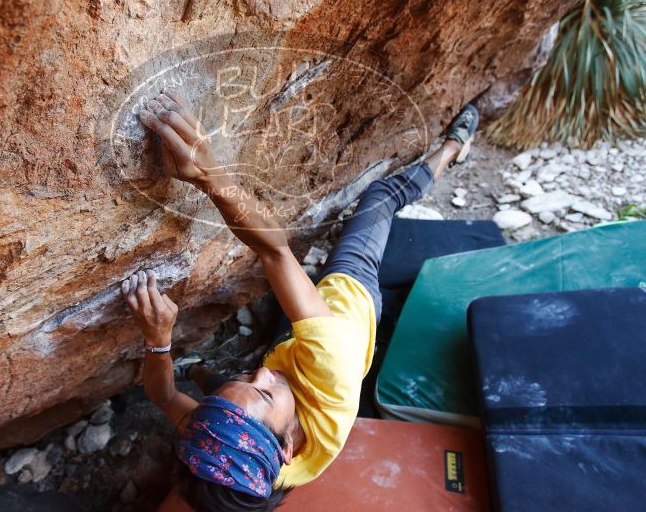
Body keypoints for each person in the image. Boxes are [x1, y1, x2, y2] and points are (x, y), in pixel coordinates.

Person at [122, 87, 479, 511]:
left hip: (295, 365)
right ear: (289, 447)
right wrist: (208, 173)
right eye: (265, 393)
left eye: (245, 383)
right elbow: (274, 250)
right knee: (380, 199)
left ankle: (204, 374)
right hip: (352, 297)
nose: (260, 374)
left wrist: (158, 338)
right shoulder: (330, 370)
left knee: (233, 382)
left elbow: (163, 395)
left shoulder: (241, 456)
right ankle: (455, 149)